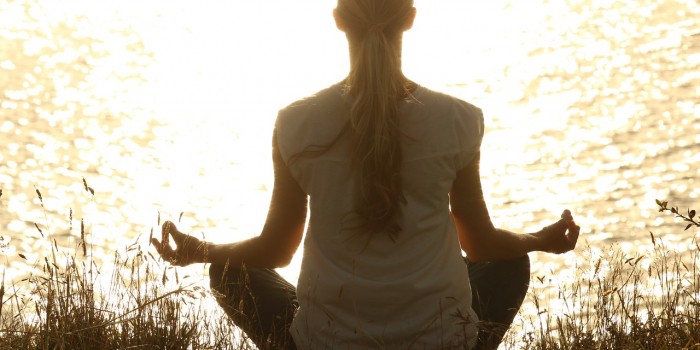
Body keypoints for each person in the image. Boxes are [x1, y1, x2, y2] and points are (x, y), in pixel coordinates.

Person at [150, 1, 581, 349]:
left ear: (338, 20)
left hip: (327, 343)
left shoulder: (296, 123)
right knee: (508, 263)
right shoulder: (458, 120)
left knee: (227, 271)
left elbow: (276, 250)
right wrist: (538, 240)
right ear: (410, 18)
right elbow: (481, 244)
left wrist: (199, 250)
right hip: (442, 340)